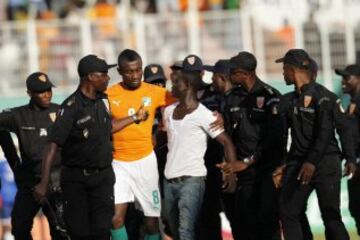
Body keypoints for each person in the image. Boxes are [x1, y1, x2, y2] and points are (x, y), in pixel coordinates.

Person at [33, 55, 148, 239]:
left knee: (102, 231)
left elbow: (107, 127)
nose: (108, 78)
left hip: (103, 178)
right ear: (90, 77)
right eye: (103, 74)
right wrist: (44, 182)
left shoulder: (103, 100)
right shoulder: (70, 107)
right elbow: (53, 144)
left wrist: (134, 118)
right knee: (80, 233)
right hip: (77, 181)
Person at [276, 49, 354, 240]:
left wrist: (350, 157)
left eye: (284, 69)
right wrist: (282, 164)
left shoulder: (325, 98)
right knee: (289, 212)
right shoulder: (288, 101)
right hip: (300, 164)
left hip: (324, 163)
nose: (282, 73)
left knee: (331, 216)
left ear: (292, 70)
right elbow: (280, 137)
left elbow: (329, 132)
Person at [162, 68, 238, 240]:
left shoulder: (204, 115)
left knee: (186, 231)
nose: (172, 86)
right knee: (173, 229)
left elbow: (226, 142)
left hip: (192, 180)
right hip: (169, 181)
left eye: (176, 83)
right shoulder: (168, 111)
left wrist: (231, 172)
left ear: (187, 85)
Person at [218, 52, 284, 240]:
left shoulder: (270, 95)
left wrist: (249, 161)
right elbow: (228, 135)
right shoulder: (232, 98)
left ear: (244, 73)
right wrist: (229, 167)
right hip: (242, 173)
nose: (229, 75)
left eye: (233, 71)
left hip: (266, 170)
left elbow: (275, 137)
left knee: (268, 222)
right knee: (243, 223)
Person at [0, 72, 68, 240]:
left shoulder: (60, 112)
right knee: (19, 228)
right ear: (29, 93)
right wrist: (16, 165)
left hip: (57, 182)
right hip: (30, 182)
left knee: (60, 230)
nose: (46, 94)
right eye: (41, 91)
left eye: (48, 90)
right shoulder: (18, 115)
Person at [335, 64, 360, 236]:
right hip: (355, 163)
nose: (343, 81)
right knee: (356, 208)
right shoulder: (353, 102)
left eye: (347, 77)